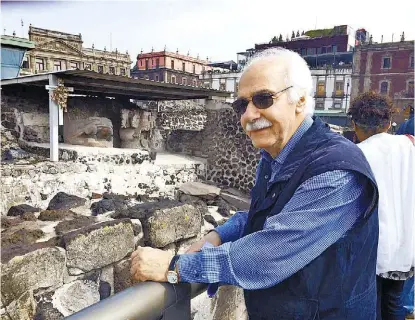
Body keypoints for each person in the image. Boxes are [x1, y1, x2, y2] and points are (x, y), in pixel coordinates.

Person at [130, 48, 379, 319]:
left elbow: (270, 254)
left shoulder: (336, 171)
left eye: (263, 99)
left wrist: (175, 265)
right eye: (241, 105)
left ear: (300, 100)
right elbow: (264, 214)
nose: (248, 115)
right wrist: (219, 234)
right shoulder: (276, 155)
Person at [348, 91, 415, 320]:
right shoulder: (410, 146)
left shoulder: (355, 154)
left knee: (370, 307)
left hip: (370, 250)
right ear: (388, 123)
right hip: (406, 246)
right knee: (394, 303)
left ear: (354, 124)